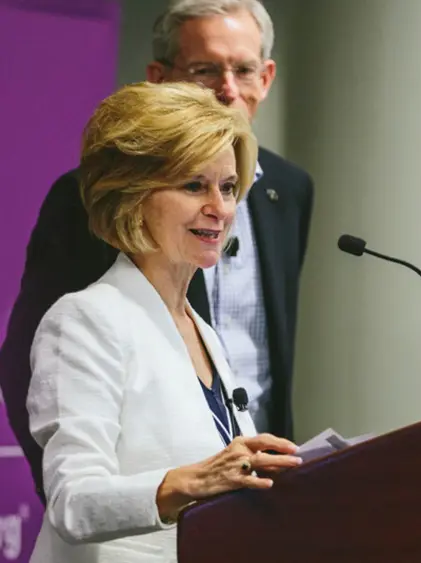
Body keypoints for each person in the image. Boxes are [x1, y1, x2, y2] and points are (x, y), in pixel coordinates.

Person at [0, 0, 313, 504]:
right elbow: (73, 489)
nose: (227, 89)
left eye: (229, 187)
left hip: (239, 512)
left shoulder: (288, 192)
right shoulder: (83, 312)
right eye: (206, 69)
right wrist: (96, 496)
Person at [26, 81, 303, 563]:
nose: (219, 208)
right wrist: (194, 480)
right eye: (194, 185)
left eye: (229, 187)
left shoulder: (202, 331)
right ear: (132, 195)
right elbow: (73, 502)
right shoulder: (84, 320)